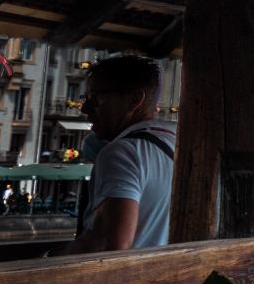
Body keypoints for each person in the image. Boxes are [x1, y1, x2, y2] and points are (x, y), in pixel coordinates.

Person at [68, 54, 175, 253]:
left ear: (134, 100)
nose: (85, 109)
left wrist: (49, 258)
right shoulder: (178, 140)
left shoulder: (121, 152)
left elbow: (110, 244)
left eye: (95, 98)